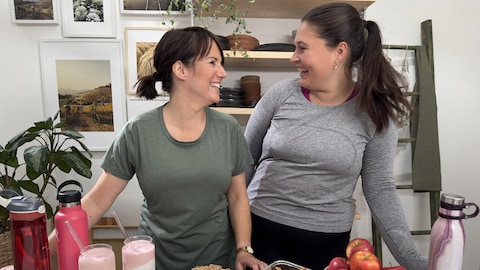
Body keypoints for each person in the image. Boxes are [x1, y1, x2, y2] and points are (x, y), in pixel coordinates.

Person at [48, 26, 268, 270]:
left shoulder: (228, 129)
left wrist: (243, 249)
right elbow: (97, 202)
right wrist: (40, 254)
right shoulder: (138, 132)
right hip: (152, 263)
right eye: (213, 62)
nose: (223, 73)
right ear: (181, 69)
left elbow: (237, 196)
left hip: (217, 262)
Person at [244, 3, 427, 270]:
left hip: (325, 246)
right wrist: (234, 234)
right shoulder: (281, 93)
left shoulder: (375, 113)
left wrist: (417, 263)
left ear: (339, 51)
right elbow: (244, 161)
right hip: (257, 232)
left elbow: (380, 190)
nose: (293, 57)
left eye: (302, 48)